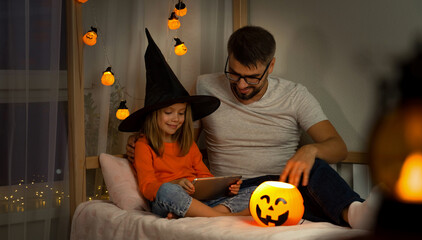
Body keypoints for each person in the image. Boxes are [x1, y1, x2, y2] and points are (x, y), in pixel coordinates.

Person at [127, 26, 375, 229]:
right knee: (293, 208)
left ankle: (355, 212)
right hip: (233, 189)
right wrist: (148, 138)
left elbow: (338, 148)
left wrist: (311, 151)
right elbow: (182, 142)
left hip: (282, 185)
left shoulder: (295, 95)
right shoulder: (205, 87)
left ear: (271, 66)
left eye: (252, 77)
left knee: (314, 170)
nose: (242, 85)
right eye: (234, 74)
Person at [119, 28, 249, 219]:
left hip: (198, 199)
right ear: (153, 115)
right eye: (169, 112)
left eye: (181, 113)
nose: (176, 119)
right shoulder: (143, 145)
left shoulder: (188, 144)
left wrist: (225, 188)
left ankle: (197, 213)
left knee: (253, 191)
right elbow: (148, 187)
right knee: (167, 192)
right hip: (168, 199)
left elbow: (205, 177)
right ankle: (219, 216)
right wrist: (176, 184)